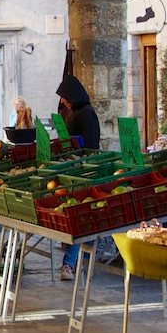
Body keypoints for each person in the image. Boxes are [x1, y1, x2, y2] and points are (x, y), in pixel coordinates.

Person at [56, 74, 101, 280]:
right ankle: (79, 262)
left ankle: (72, 263)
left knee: (81, 218)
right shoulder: (76, 112)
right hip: (76, 171)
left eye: (64, 97)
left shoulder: (86, 114)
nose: (63, 101)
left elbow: (89, 146)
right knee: (83, 219)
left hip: (84, 173)